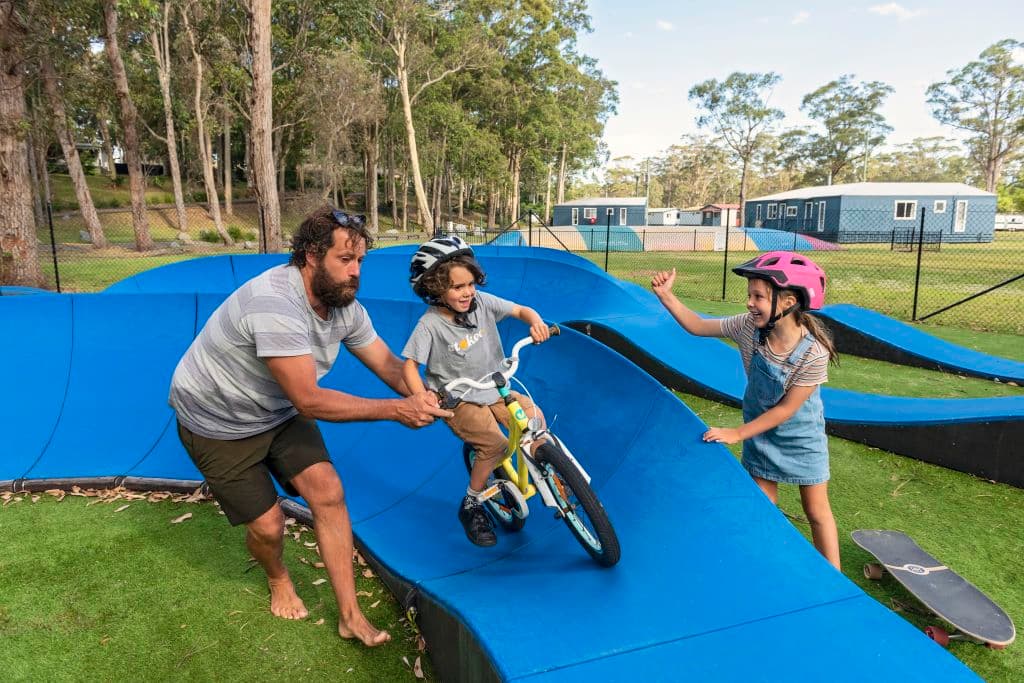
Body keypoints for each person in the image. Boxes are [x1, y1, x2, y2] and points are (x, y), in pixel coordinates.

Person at [168, 206, 451, 647]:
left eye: (360, 261)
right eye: (345, 260)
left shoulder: (344, 306)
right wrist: (397, 410)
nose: (355, 273)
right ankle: (278, 578)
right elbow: (310, 399)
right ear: (311, 256)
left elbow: (391, 365)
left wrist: (434, 395)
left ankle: (350, 616)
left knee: (329, 492)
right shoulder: (275, 303)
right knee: (268, 527)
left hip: (275, 410)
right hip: (218, 420)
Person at [651, 251, 841, 569]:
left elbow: (786, 411)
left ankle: (836, 580)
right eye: (749, 295)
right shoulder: (746, 328)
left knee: (816, 511)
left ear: (789, 301)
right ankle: (763, 566)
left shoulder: (814, 353)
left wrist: (736, 433)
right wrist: (667, 297)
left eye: (758, 296)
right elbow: (697, 326)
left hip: (800, 436)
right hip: (760, 433)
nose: (750, 303)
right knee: (760, 505)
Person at [401, 236, 551, 547]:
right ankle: (471, 503)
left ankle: (549, 466)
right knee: (495, 445)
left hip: (495, 387)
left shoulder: (481, 303)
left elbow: (521, 310)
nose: (468, 292)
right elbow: (409, 366)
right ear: (435, 288)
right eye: (457, 287)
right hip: (460, 399)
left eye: (470, 283)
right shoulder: (430, 325)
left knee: (534, 417)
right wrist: (422, 396)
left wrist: (536, 322)